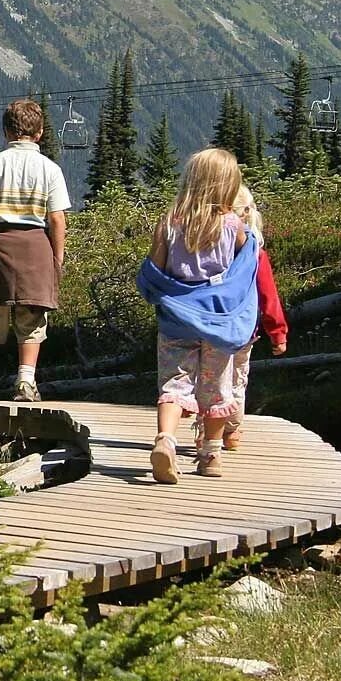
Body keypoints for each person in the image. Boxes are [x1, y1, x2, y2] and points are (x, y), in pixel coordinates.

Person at [136, 147, 257, 483]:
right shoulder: (234, 226)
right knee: (217, 387)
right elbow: (246, 267)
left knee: (174, 385)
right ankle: (211, 455)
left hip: (176, 320)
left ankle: (166, 440)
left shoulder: (169, 225)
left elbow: (153, 272)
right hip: (219, 323)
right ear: (227, 186)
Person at [0, 98, 71, 401]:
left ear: (6, 131)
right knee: (32, 317)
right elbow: (57, 218)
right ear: (39, 133)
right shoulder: (50, 169)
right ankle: (25, 382)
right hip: (36, 246)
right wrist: (57, 258)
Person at [226, 184, 287, 450]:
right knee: (237, 380)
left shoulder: (210, 253)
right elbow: (268, 296)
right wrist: (278, 333)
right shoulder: (256, 253)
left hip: (208, 326)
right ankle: (231, 432)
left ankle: (208, 434)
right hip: (244, 330)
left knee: (209, 380)